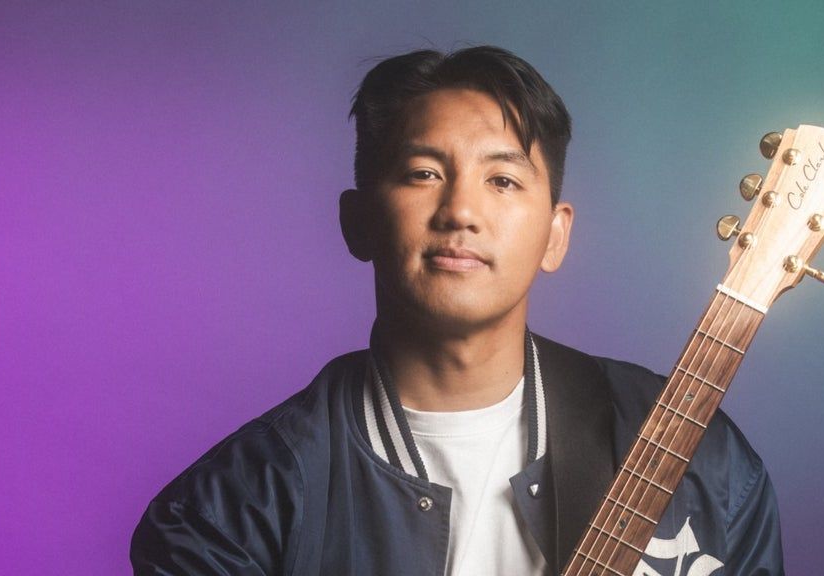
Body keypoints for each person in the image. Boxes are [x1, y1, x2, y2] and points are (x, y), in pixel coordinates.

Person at [130, 46, 784, 576]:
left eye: (502, 180)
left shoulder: (703, 462)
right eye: (423, 173)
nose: (461, 212)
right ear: (358, 222)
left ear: (556, 235)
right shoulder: (229, 513)